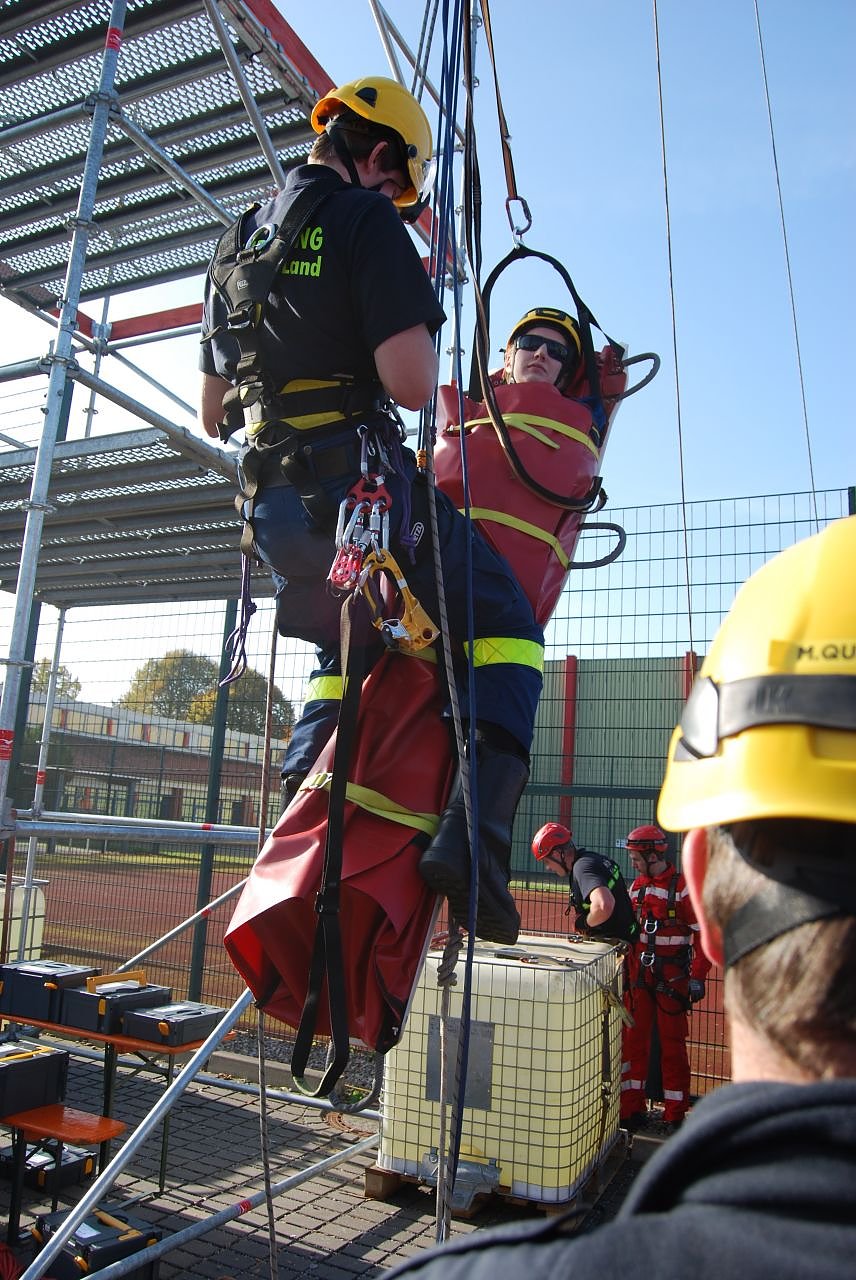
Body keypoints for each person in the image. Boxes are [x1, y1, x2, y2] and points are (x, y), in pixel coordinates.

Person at [389, 514, 856, 1280]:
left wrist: (605, 930)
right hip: (650, 972)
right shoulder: (611, 865)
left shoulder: (480, 1272)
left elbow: (603, 909)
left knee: (643, 1055)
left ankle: (652, 1112)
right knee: (644, 1056)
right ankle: (653, 1108)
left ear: (700, 882)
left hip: (645, 973)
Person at [199, 76, 545, 944]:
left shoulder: (238, 238)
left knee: (341, 650)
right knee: (504, 626)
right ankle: (475, 845)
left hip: (277, 518)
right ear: (380, 152)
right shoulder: (364, 221)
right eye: (398, 185)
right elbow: (413, 383)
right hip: (360, 501)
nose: (396, 200)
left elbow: (212, 410)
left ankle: (300, 802)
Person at [621, 823, 711, 1133]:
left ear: (651, 855)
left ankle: (675, 1114)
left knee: (672, 1046)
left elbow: (703, 935)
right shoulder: (637, 888)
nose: (633, 863)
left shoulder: (683, 888)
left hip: (672, 981)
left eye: (636, 857)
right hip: (639, 979)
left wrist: (697, 977)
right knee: (632, 1043)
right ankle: (630, 1110)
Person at [530, 822, 638, 943]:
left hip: (614, 946)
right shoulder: (593, 858)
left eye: (547, 862)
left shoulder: (582, 867)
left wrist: (584, 923)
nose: (548, 868)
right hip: (628, 939)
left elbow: (603, 906)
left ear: (556, 854)